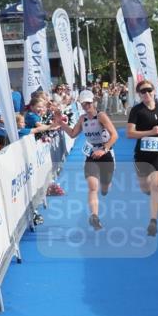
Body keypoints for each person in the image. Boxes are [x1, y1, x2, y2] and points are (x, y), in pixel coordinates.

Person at [58, 89, 119, 230]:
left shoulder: (101, 116)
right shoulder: (82, 119)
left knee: (105, 187)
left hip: (106, 153)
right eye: (83, 104)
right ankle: (94, 216)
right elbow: (73, 134)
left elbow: (115, 135)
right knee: (92, 187)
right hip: (91, 155)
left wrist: (104, 149)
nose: (86, 106)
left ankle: (105, 188)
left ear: (93, 102)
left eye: (88, 103)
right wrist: (61, 124)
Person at [127, 80, 158, 237]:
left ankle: (153, 221)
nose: (147, 93)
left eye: (149, 90)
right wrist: (149, 132)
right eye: (143, 91)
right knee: (145, 187)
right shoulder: (137, 111)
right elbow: (130, 133)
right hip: (142, 155)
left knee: (157, 185)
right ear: (139, 95)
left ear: (154, 91)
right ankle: (148, 190)